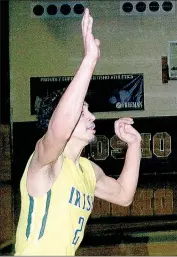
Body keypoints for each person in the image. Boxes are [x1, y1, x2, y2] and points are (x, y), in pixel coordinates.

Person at [14, 9, 142, 256]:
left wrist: (134, 146)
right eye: (82, 112)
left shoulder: (87, 170)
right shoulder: (44, 162)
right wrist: (89, 61)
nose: (91, 116)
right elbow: (58, 131)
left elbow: (124, 195)